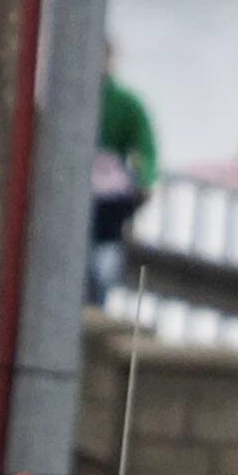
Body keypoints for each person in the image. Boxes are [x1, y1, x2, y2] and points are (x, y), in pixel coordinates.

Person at [90, 39, 158, 303]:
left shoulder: (126, 104)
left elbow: (147, 153)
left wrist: (143, 179)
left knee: (102, 269)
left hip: (108, 212)